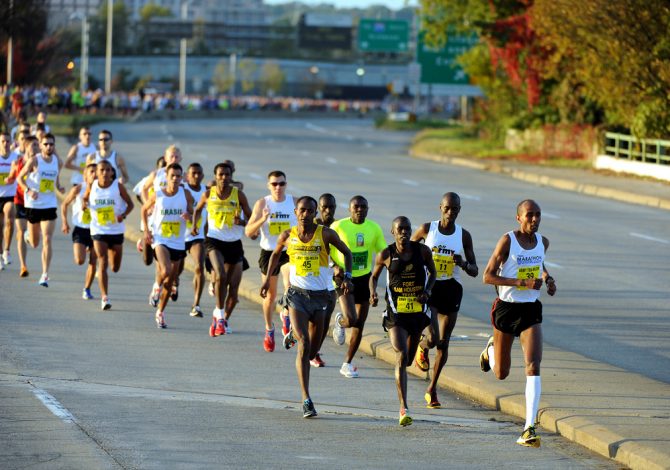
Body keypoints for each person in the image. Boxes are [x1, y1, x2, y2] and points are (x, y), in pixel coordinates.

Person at [260, 196, 353, 418]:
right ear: (295, 211)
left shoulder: (325, 234)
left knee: (312, 350)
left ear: (314, 212)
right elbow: (275, 255)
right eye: (302, 210)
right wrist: (266, 280)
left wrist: (347, 276)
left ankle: (294, 332)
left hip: (321, 297)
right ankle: (306, 399)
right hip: (297, 296)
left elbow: (347, 253)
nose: (306, 214)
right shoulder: (288, 235)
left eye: (310, 211)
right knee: (304, 344)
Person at [479, 199, 557, 447]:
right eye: (529, 215)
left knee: (533, 365)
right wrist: (522, 283)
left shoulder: (542, 242)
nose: (534, 219)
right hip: (506, 309)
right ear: (519, 218)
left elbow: (538, 262)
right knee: (501, 373)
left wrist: (547, 278)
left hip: (530, 311)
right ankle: (490, 350)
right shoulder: (507, 241)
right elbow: (487, 276)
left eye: (538, 215)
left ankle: (529, 427)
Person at [411, 192, 479, 408]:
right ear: (440, 207)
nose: (451, 213)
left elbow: (475, 270)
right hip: (430, 287)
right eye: (447, 208)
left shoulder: (463, 235)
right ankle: (423, 346)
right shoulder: (426, 229)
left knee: (444, 342)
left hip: (451, 288)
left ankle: (432, 389)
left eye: (455, 209)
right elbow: (407, 251)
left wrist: (464, 264)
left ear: (459, 210)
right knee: (432, 338)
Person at [370, 216, 436, 427]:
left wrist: (427, 291)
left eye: (407, 229)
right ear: (393, 232)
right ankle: (403, 407)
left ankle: (417, 352)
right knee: (401, 355)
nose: (404, 232)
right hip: (396, 313)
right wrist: (373, 293)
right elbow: (373, 277)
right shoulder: (386, 254)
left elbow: (433, 272)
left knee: (408, 361)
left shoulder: (422, 251)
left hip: (417, 311)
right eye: (400, 229)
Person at [192, 162, 252, 336]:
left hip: (234, 243)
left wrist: (242, 222)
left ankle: (222, 319)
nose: (224, 178)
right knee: (220, 275)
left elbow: (250, 218)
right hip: (214, 240)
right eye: (221, 175)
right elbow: (197, 209)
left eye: (227, 175)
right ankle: (219, 314)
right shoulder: (208, 194)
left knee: (233, 290)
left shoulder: (238, 195)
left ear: (230, 176)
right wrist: (195, 226)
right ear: (215, 176)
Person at [330, 195, 386, 378]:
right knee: (351, 319)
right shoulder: (338, 226)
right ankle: (340, 321)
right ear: (349, 209)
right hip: (343, 278)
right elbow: (325, 249)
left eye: (363, 206)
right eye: (356, 206)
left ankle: (347, 363)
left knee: (359, 324)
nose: (360, 209)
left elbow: (383, 252)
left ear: (368, 209)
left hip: (364, 278)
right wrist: (334, 266)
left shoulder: (374, 228)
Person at [245, 170, 297, 352]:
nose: (278, 187)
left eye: (281, 184)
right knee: (270, 296)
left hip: (289, 251)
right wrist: (263, 219)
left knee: (290, 284)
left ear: (286, 184)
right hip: (269, 253)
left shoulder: (294, 202)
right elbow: (248, 231)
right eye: (274, 184)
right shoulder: (263, 203)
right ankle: (269, 329)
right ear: (268, 185)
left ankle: (285, 313)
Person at [141, 163, 193, 328]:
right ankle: (156, 287)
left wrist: (188, 215)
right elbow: (143, 209)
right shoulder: (158, 194)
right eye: (173, 176)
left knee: (170, 282)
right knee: (165, 270)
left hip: (178, 241)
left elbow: (193, 212)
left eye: (178, 176)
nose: (176, 179)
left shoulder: (185, 194)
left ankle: (160, 313)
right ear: (167, 177)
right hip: (160, 238)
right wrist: (146, 231)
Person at [83, 160, 134, 310]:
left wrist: (122, 215)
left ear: (112, 172)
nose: (105, 173)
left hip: (116, 230)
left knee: (115, 267)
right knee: (102, 260)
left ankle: (107, 279)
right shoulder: (92, 185)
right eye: (102, 170)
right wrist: (84, 204)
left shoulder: (117, 186)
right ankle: (104, 297)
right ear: (97, 172)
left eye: (107, 170)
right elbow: (85, 198)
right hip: (98, 230)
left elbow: (130, 204)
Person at [16, 133, 65, 287]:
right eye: (46, 144)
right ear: (41, 145)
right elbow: (19, 178)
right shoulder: (34, 160)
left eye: (51, 144)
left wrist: (59, 186)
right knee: (35, 243)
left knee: (47, 239)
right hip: (33, 204)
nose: (49, 147)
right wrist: (28, 190)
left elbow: (55, 178)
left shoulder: (57, 161)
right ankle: (27, 236)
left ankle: (45, 274)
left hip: (49, 204)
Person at [144, 146, 183, 303]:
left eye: (176, 156)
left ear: (180, 158)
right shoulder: (157, 174)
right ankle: (158, 285)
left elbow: (190, 198)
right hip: (158, 224)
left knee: (176, 268)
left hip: (178, 228)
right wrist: (150, 205)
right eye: (171, 156)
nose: (174, 158)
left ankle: (173, 282)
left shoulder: (183, 176)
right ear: (165, 158)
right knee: (161, 265)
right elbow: (144, 189)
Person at [309, 193, 338, 367]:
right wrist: (333, 264)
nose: (327, 211)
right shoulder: (313, 225)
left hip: (330, 281)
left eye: (331, 207)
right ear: (319, 208)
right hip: (312, 277)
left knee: (326, 318)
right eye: (324, 207)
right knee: (310, 317)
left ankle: (314, 353)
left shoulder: (338, 226)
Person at [60, 163, 98, 299]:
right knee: (80, 260)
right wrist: (65, 221)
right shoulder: (78, 189)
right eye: (91, 172)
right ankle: (85, 248)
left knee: (93, 260)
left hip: (96, 230)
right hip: (81, 229)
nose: (95, 174)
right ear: (85, 176)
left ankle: (87, 289)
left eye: (96, 172)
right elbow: (64, 204)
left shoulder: (102, 191)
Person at [7, 131, 32, 277]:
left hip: (37, 203)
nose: (33, 149)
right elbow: (11, 176)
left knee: (33, 237)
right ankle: (23, 266)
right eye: (30, 146)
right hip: (20, 200)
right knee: (21, 232)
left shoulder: (40, 162)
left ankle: (32, 232)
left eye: (36, 146)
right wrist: (9, 178)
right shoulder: (17, 162)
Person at [183, 162, 207, 317]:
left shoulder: (207, 191)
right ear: (187, 175)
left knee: (199, 267)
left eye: (199, 173)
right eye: (193, 173)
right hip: (177, 236)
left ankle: (196, 304)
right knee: (173, 272)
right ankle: (172, 284)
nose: (196, 176)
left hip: (196, 236)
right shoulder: (181, 190)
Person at [0, 131, 17, 269]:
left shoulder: (16, 158)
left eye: (7, 141)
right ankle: (0, 254)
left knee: (10, 215)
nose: (5, 144)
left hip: (10, 196)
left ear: (11, 143)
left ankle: (7, 249)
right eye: (3, 141)